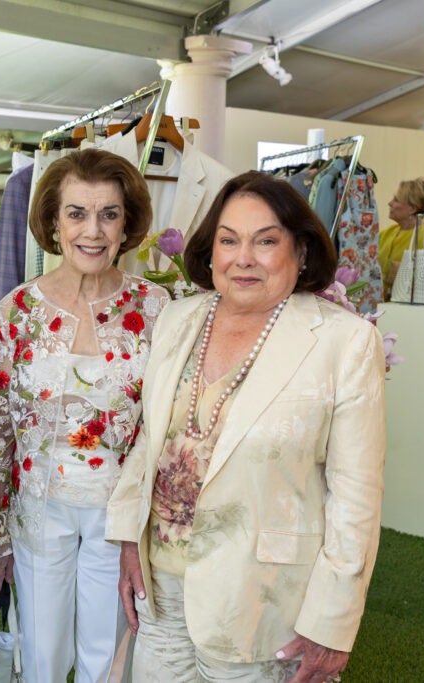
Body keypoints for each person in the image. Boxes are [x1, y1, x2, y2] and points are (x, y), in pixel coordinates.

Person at [107, 171, 386, 683]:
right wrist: (130, 539)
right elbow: (152, 439)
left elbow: (356, 496)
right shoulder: (177, 319)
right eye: (229, 240)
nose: (244, 258)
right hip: (161, 591)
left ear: (301, 252)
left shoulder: (343, 342)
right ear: (210, 251)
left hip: (264, 601)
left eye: (266, 241)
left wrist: (333, 619)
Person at [0, 148, 170, 682]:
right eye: (77, 213)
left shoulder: (157, 310)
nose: (94, 230)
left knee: (106, 660)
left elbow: (165, 427)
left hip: (121, 520)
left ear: (126, 222)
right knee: (40, 658)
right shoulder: (14, 313)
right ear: (53, 222)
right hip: (38, 515)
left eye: (109, 213)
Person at [379, 177, 424, 299]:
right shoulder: (387, 233)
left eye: (396, 200)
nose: (390, 203)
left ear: (412, 208)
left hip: (403, 309)